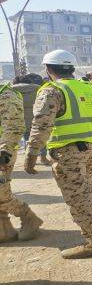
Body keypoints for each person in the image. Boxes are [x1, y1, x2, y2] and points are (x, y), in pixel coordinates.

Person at [23, 49, 92, 259]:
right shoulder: (90, 89)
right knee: (86, 192)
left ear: (48, 69)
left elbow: (41, 125)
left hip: (69, 152)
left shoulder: (52, 90)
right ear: (71, 68)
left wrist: (31, 154)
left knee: (78, 197)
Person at [0, 81, 43, 243]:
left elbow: (14, 127)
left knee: (1, 191)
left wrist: (4, 153)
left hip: (3, 151)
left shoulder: (6, 94)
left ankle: (28, 217)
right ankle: (4, 228)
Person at [12, 73, 50, 165]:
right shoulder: (38, 89)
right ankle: (43, 158)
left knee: (24, 140)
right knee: (40, 139)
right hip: (35, 119)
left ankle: (27, 158)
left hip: (17, 119)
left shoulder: (10, 90)